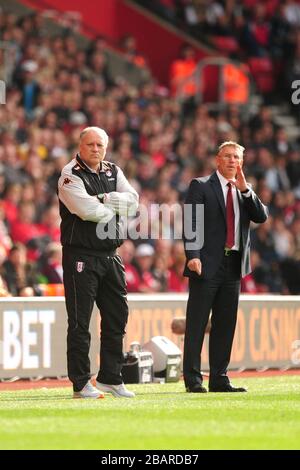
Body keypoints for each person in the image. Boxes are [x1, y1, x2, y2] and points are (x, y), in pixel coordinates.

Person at [58, 126, 139, 399]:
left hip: (111, 255)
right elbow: (88, 212)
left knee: (117, 318)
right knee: (81, 321)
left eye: (100, 145)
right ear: (80, 146)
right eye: (91, 144)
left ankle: (110, 378)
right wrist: (113, 205)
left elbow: (134, 203)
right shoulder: (70, 175)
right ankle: (81, 383)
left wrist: (105, 198)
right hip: (81, 255)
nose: (95, 149)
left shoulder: (113, 171)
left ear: (106, 147)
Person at [183, 141, 268, 393]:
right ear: (217, 160)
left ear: (241, 162)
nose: (232, 161)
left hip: (234, 265)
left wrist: (245, 190)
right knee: (197, 323)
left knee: (225, 323)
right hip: (206, 264)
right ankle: (193, 380)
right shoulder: (200, 186)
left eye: (237, 157)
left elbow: (261, 217)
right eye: (228, 156)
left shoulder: (244, 190)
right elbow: (191, 222)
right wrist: (192, 254)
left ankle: (219, 378)